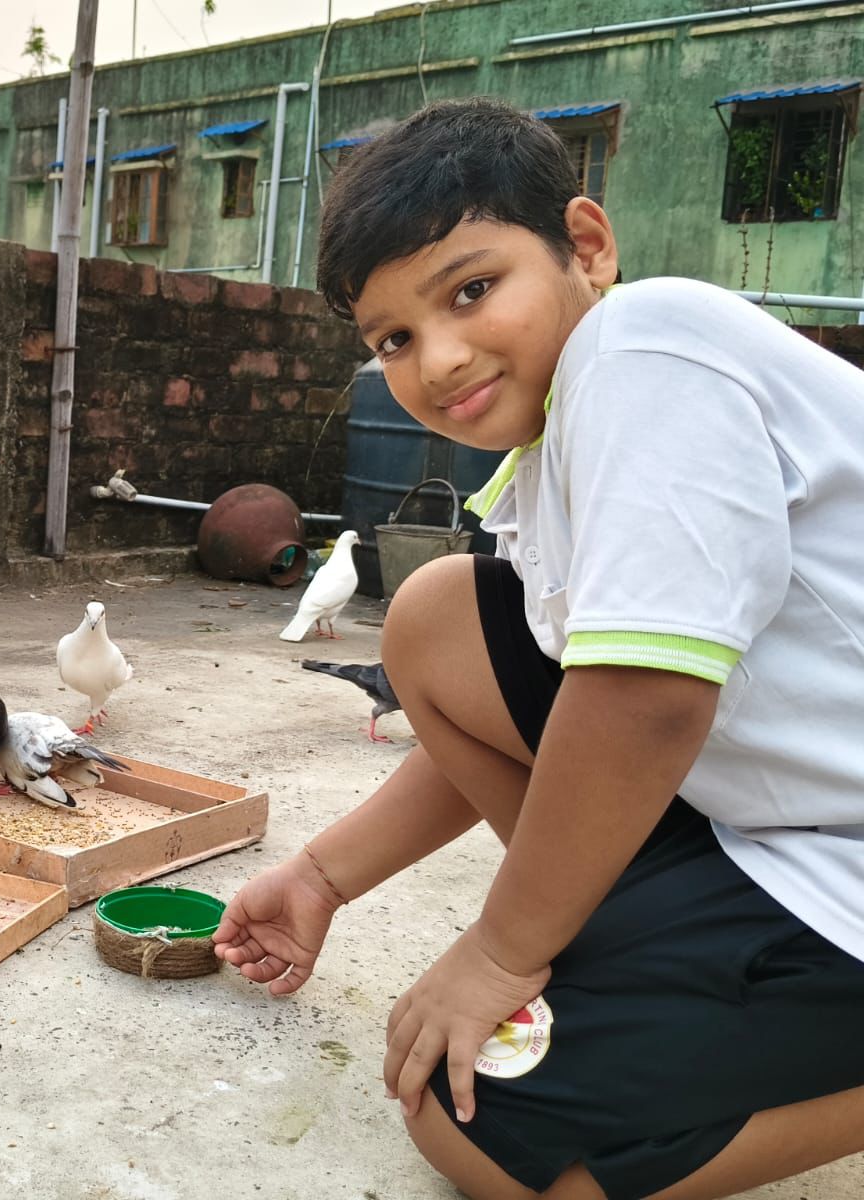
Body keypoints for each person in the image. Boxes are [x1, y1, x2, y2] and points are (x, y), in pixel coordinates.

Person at [213, 97, 864, 1200]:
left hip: (838, 861)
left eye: (472, 289)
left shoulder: (646, 344)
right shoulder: (549, 468)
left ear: (588, 246)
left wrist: (501, 951)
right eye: (395, 339)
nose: (441, 357)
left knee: (485, 1133)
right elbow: (563, 715)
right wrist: (323, 875)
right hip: (780, 822)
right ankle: (627, 931)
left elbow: (642, 703)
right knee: (435, 616)